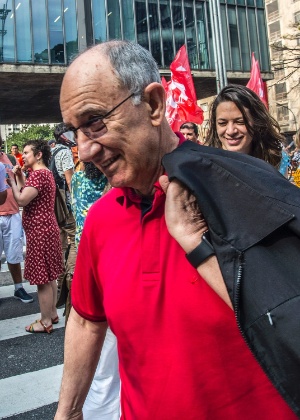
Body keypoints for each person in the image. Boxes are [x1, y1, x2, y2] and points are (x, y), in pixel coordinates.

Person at [55, 41, 296, 419]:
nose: (85, 150)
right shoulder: (101, 219)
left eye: (95, 122)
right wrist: (67, 413)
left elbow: (286, 313)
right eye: (74, 132)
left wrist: (198, 245)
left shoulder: (241, 187)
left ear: (152, 104)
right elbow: (87, 319)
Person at [71, 161, 120, 419]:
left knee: (103, 363)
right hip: (103, 263)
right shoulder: (109, 203)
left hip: (85, 253)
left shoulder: (77, 179)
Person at [8, 139, 63, 333]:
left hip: (39, 232)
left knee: (42, 280)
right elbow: (28, 191)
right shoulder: (43, 173)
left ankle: (45, 321)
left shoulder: (38, 175)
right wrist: (21, 177)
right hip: (46, 229)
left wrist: (12, 182)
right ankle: (53, 313)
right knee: (50, 276)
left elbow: (22, 198)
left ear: (38, 154)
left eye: (27, 152)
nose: (23, 156)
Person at [205, 84, 283, 168]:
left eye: (240, 122)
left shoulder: (275, 162)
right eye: (222, 123)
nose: (230, 131)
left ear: (257, 123)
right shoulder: (202, 166)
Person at [0, 135, 33, 303]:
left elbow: (21, 185)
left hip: (12, 212)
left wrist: (19, 174)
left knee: (14, 254)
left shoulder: (10, 158)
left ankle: (18, 288)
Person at [51, 124, 76, 320]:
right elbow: (69, 180)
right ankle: (67, 283)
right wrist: (76, 202)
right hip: (65, 203)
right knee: (73, 240)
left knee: (60, 244)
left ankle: (59, 284)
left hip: (54, 203)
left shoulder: (53, 150)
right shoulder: (65, 152)